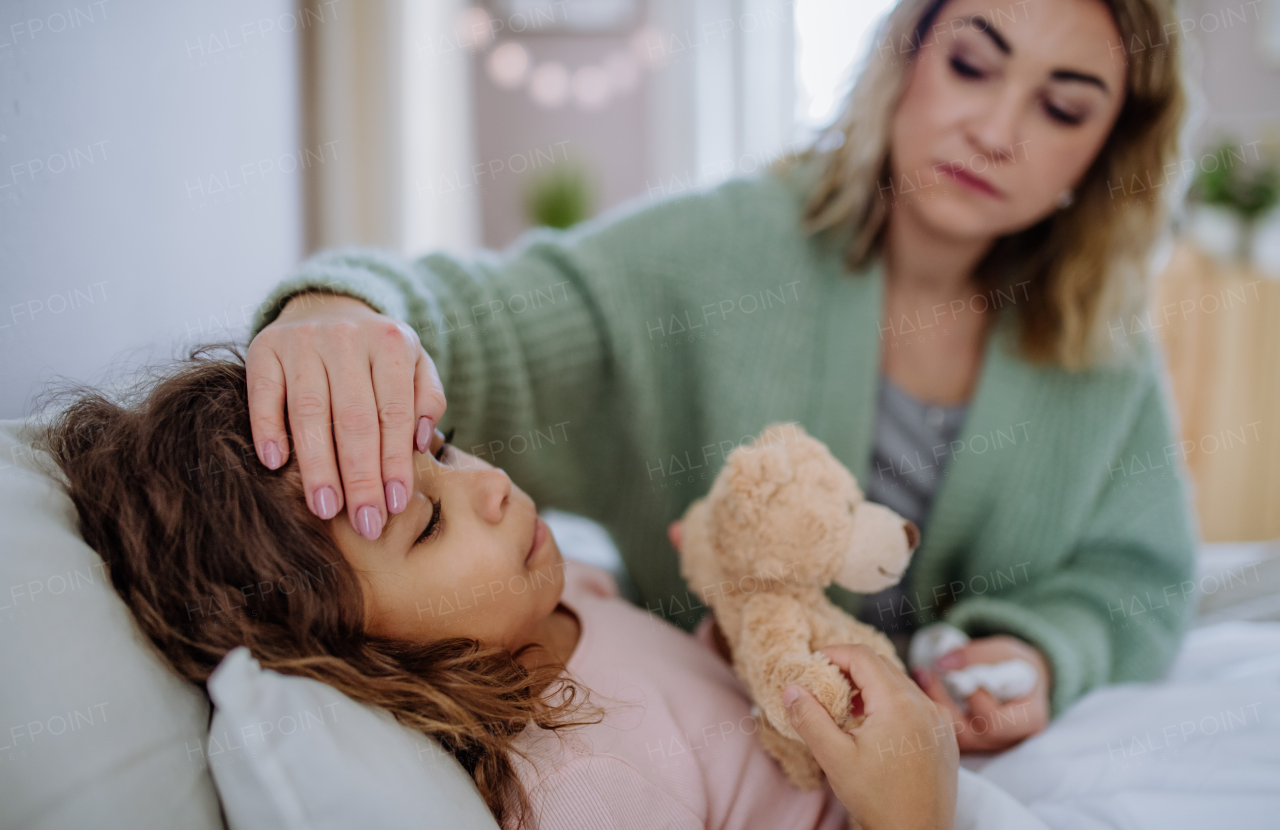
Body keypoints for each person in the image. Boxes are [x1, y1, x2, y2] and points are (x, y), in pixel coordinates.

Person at [244, 0, 1198, 751]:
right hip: (729, 746)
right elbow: (484, 316)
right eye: (971, 64)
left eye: (1063, 107)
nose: (996, 130)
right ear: (906, 57)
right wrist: (340, 308)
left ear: (1104, 152)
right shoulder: (725, 249)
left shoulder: (1100, 344)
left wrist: (1038, 652)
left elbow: (1134, 574)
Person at [42, 347, 958, 830]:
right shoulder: (587, 791)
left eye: (438, 451)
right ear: (355, 656)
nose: (485, 482)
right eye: (430, 523)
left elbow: (691, 724)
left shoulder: (556, 607)